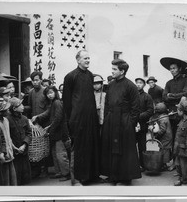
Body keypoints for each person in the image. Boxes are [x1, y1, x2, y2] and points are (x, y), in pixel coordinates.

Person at [62, 50, 101, 185]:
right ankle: (77, 179)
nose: (88, 60)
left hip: (91, 117)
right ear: (78, 60)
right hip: (77, 119)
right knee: (78, 148)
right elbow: (66, 101)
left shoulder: (90, 75)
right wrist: (70, 119)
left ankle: (92, 176)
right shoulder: (70, 76)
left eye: (89, 58)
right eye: (85, 58)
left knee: (93, 145)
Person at [101, 59, 141, 185]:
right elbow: (107, 103)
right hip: (111, 119)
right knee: (111, 148)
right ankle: (113, 175)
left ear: (122, 71)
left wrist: (130, 123)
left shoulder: (131, 86)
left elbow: (136, 108)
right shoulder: (111, 85)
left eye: (114, 69)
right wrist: (107, 117)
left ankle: (125, 177)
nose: (112, 71)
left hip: (125, 121)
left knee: (124, 149)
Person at [33, 85, 71, 182]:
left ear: (55, 92)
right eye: (47, 93)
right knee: (55, 153)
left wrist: (50, 128)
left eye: (51, 92)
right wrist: (37, 117)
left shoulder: (57, 103)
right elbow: (47, 113)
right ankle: (59, 172)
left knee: (60, 154)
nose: (49, 95)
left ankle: (66, 173)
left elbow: (58, 118)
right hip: (55, 132)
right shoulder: (53, 103)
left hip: (60, 132)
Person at [161, 57, 187, 171]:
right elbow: (164, 96)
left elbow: (186, 94)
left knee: (182, 139)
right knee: (172, 137)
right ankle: (174, 162)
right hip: (171, 113)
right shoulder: (168, 83)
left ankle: (182, 163)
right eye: (170, 69)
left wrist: (171, 96)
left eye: (174, 68)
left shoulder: (186, 81)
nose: (172, 70)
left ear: (179, 69)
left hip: (182, 114)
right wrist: (174, 96)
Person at [7, 97, 32, 185]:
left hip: (24, 152)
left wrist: (24, 145)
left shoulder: (24, 118)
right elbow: (7, 136)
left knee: (26, 176)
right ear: (14, 108)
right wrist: (15, 148)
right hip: (15, 154)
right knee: (16, 178)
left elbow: (29, 133)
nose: (22, 106)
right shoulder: (7, 120)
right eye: (20, 105)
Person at [0, 99, 18, 185]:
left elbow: (8, 137)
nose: (8, 110)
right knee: (5, 180)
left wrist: (13, 147)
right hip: (3, 154)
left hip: (10, 153)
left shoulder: (6, 120)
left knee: (13, 178)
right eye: (6, 109)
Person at [135, 78, 154, 171]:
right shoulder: (132, 96)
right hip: (132, 124)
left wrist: (139, 116)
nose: (138, 85)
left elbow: (150, 110)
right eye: (137, 83)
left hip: (142, 124)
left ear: (144, 85)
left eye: (140, 83)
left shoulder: (147, 96)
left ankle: (143, 164)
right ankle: (134, 164)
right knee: (131, 145)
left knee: (142, 145)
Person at [148, 103, 173, 170]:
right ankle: (163, 164)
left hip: (165, 138)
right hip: (166, 137)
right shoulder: (164, 116)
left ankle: (163, 164)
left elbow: (162, 129)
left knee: (164, 150)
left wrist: (157, 134)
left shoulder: (162, 119)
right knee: (163, 149)